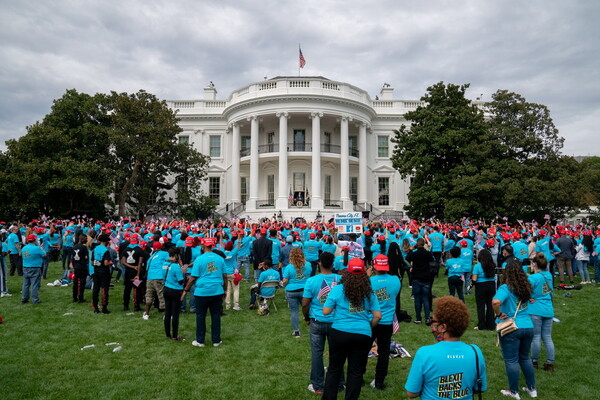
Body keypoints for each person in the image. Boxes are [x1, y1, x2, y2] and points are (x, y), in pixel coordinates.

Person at [321, 258, 381, 400]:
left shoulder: (337, 289)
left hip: (339, 333)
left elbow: (325, 311)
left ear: (347, 272)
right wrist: (368, 326)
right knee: (355, 372)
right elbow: (378, 316)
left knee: (334, 369)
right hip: (362, 335)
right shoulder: (369, 292)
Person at [405, 296, 487, 400]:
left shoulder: (424, 353)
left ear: (443, 327)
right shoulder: (475, 352)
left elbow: (412, 393)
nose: (432, 325)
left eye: (433, 321)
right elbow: (480, 388)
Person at [492, 260, 537, 399]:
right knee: (525, 358)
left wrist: (498, 314)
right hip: (528, 326)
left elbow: (495, 302)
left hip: (511, 326)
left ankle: (513, 391)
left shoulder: (505, 288)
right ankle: (532, 389)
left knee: (511, 360)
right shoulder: (526, 286)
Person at [301, 251, 343, 394]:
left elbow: (305, 304)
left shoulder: (312, 281)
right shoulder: (340, 279)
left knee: (317, 354)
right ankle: (338, 384)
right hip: (335, 322)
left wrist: (306, 318)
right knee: (336, 354)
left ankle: (318, 385)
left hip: (318, 321)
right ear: (332, 264)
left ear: (319, 263)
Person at [184, 237, 227, 347]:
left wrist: (185, 290)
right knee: (216, 316)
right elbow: (225, 276)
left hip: (202, 291)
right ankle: (216, 340)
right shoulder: (220, 258)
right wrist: (225, 289)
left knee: (200, 316)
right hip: (217, 290)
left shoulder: (199, 259)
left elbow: (193, 277)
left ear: (203, 246)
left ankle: (200, 341)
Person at [369, 254, 401, 390]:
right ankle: (379, 381)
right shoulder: (395, 280)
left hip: (371, 320)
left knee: (363, 349)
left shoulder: (370, 281)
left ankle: (358, 375)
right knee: (383, 352)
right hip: (387, 321)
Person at [528, 252, 555, 372]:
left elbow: (524, 291)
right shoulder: (549, 275)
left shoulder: (532, 278)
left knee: (536, 337)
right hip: (548, 308)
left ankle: (534, 361)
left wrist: (529, 298)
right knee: (547, 337)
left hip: (535, 309)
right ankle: (550, 362)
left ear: (534, 264)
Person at [282, 247, 311, 337]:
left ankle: (296, 331)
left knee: (294, 311)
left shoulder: (289, 267)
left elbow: (285, 281)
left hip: (292, 291)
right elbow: (309, 276)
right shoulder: (308, 265)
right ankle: (312, 327)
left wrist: (283, 285)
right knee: (307, 309)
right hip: (305, 291)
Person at [406, 238, 435, 325]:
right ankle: (427, 318)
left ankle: (418, 318)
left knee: (417, 298)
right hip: (426, 277)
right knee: (425, 298)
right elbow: (432, 260)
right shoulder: (427, 253)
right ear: (424, 244)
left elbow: (407, 259)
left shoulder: (414, 253)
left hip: (416, 277)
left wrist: (411, 250)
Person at [163, 247, 186, 341]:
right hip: (175, 290)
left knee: (167, 313)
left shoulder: (164, 264)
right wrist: (183, 272)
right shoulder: (176, 266)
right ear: (176, 255)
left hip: (166, 289)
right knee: (175, 314)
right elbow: (181, 281)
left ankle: (168, 334)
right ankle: (175, 335)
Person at [471, 248, 497, 330]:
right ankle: (491, 325)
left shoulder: (477, 266)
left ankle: (481, 325)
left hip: (481, 286)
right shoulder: (493, 265)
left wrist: (471, 285)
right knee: (490, 305)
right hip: (491, 285)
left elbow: (474, 279)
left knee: (481, 306)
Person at [143, 241, 168, 320]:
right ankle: (166, 315)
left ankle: (146, 314)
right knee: (161, 295)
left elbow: (147, 267)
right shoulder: (165, 253)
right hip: (159, 276)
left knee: (149, 295)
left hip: (150, 277)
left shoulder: (152, 256)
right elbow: (168, 262)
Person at [91, 234, 113, 314]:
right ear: (106, 241)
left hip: (96, 270)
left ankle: (96, 307)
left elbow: (92, 262)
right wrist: (111, 263)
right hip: (104, 271)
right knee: (104, 289)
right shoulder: (106, 250)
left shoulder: (95, 249)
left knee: (95, 289)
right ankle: (104, 308)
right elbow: (106, 263)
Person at [21, 234, 45, 304]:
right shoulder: (37, 248)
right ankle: (35, 299)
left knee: (25, 284)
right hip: (35, 267)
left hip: (26, 267)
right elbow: (44, 254)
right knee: (34, 285)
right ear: (34, 240)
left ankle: (24, 298)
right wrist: (41, 247)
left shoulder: (24, 248)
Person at [71, 236, 89, 303]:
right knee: (82, 282)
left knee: (75, 282)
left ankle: (74, 297)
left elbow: (72, 257)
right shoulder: (84, 247)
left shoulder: (74, 247)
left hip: (76, 265)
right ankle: (80, 297)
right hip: (82, 266)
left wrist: (73, 265)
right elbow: (86, 257)